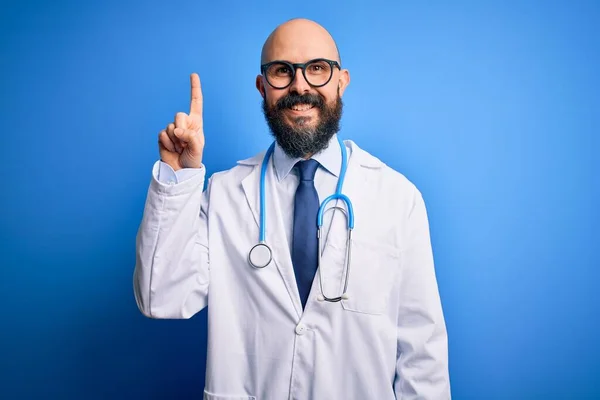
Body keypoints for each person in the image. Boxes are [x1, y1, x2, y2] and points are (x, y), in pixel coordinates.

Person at [134, 18, 451, 400]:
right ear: (262, 86)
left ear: (341, 80)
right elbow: (160, 297)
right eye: (282, 71)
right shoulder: (225, 193)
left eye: (317, 69)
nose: (300, 85)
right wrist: (178, 176)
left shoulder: (397, 197)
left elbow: (422, 353)